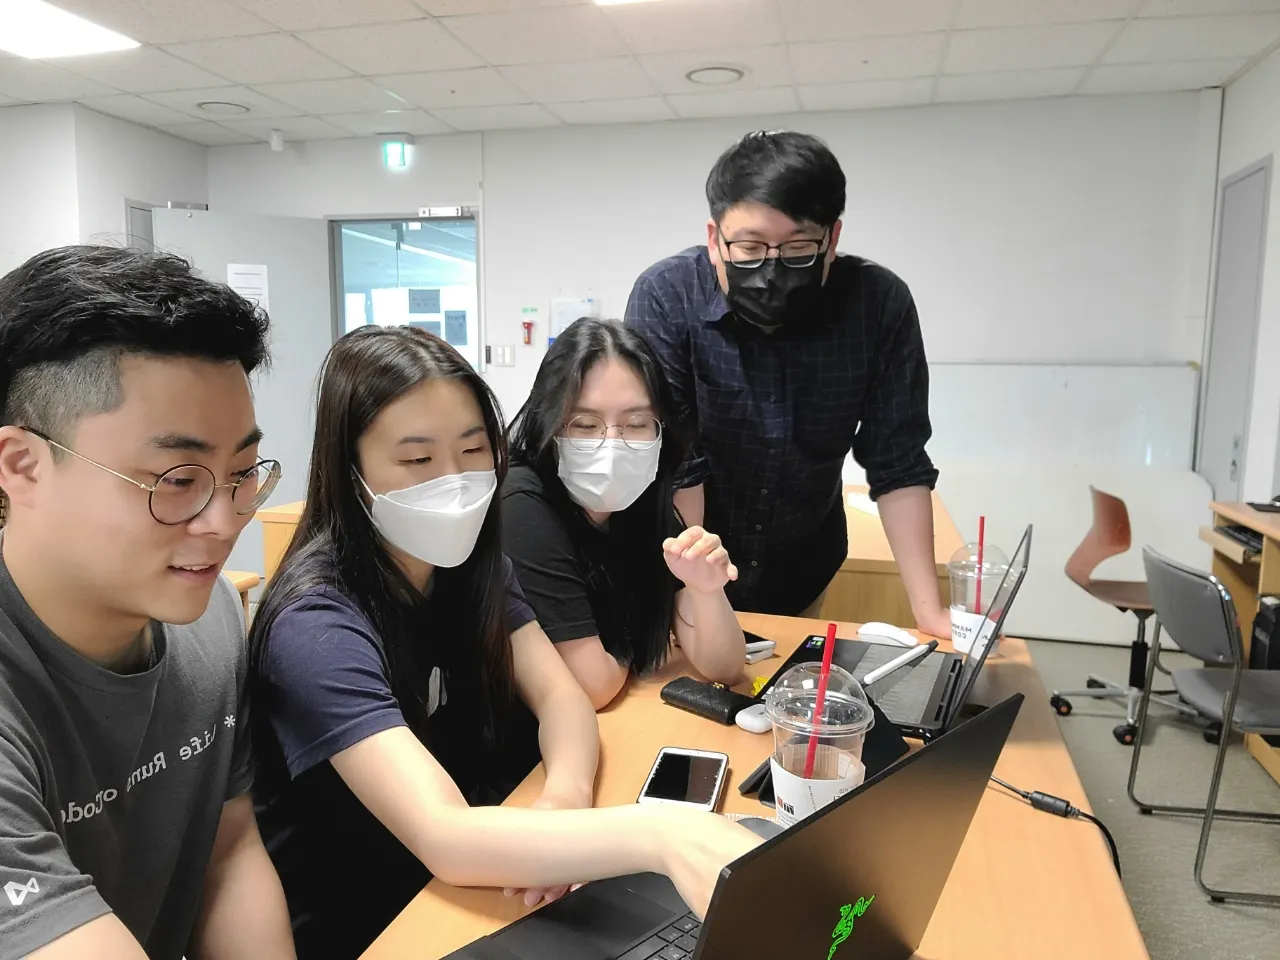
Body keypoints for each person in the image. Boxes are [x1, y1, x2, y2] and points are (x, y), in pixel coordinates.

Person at [249, 326, 757, 959]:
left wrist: (564, 800)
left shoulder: (472, 568)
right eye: (417, 461)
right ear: (349, 471)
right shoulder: (315, 622)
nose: (455, 478)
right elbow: (443, 835)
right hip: (375, 924)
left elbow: (563, 699)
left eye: (472, 449)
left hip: (483, 880)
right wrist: (666, 835)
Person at [0, 246, 294, 959]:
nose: (224, 522)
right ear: (22, 466)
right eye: (176, 479)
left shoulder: (211, 617)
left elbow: (228, 849)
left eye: (242, 472)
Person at [626, 130, 949, 637]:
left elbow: (899, 459)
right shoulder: (668, 296)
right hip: (688, 559)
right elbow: (676, 461)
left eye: (799, 248)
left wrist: (929, 611)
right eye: (749, 246)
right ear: (714, 239)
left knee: (786, 677)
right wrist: (698, 589)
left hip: (803, 563)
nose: (772, 269)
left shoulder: (878, 304)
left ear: (832, 239)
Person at [504, 318, 745, 709]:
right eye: (585, 424)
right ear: (549, 424)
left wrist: (706, 590)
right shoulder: (521, 505)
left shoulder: (644, 504)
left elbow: (725, 668)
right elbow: (594, 686)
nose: (612, 444)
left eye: (636, 423)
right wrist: (643, 626)